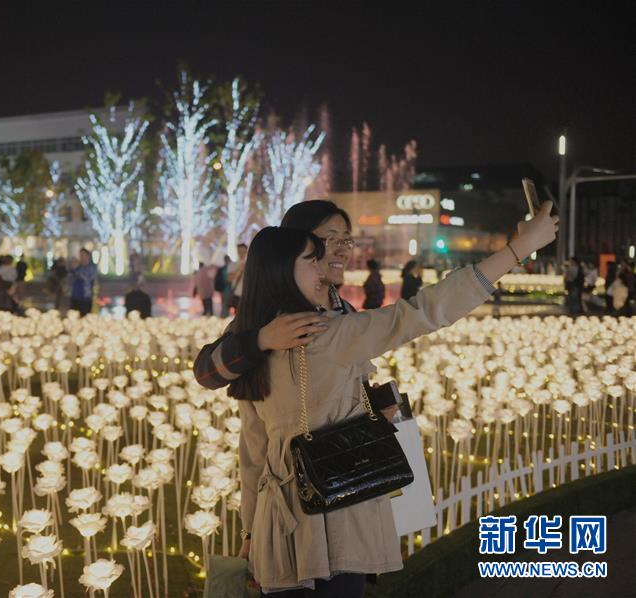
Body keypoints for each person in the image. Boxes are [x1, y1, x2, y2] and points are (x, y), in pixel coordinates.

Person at [226, 202, 558, 597]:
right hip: (336, 518)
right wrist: (517, 250)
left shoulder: (252, 338)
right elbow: (423, 311)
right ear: (282, 271)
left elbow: (253, 450)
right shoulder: (327, 332)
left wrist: (251, 531)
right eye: (314, 258)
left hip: (277, 530)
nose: (324, 268)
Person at [194, 200, 364, 393]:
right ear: (296, 246)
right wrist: (261, 340)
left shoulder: (347, 311)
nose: (343, 252)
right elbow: (206, 374)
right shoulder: (272, 315)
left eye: (346, 241)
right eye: (331, 240)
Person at [70, 248, 98, 316]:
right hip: (75, 297)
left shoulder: (92, 267)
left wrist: (76, 269)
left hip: (86, 298)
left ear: (88, 256)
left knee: (85, 317)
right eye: (80, 255)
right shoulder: (78, 267)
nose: (81, 257)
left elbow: (86, 277)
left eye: (83, 255)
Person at [226, 243, 248, 314]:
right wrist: (239, 270)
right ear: (237, 252)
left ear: (246, 252)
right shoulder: (232, 265)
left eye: (243, 252)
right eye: (240, 252)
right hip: (237, 295)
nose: (242, 254)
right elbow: (229, 279)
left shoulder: (250, 264)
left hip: (248, 295)